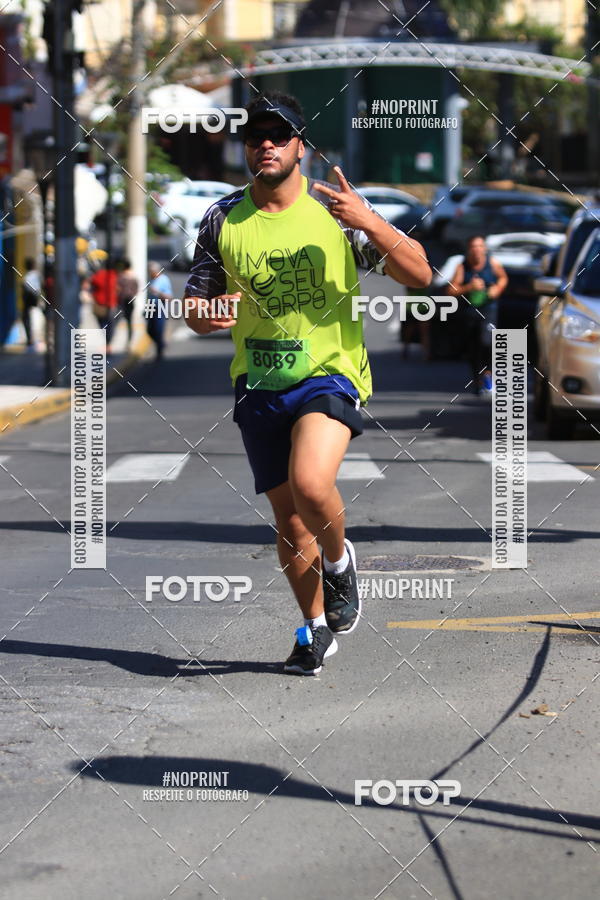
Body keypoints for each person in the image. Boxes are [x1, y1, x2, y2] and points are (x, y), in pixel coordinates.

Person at [184, 91, 431, 675]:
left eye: (279, 135)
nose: (266, 144)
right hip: (258, 380)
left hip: (329, 374)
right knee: (291, 521)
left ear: (302, 147)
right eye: (255, 136)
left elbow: (420, 274)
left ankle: (340, 563)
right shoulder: (222, 218)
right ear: (245, 147)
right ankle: (315, 629)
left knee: (310, 484)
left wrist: (369, 220)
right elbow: (194, 304)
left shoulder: (336, 214)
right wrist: (205, 315)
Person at [447, 235, 508, 394]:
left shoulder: (492, 263)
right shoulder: (462, 267)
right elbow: (450, 290)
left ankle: (488, 374)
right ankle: (477, 381)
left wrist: (497, 289)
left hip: (488, 309)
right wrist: (468, 287)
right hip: (470, 311)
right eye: (474, 247)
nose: (477, 250)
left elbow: (503, 278)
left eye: (480, 246)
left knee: (488, 342)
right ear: (469, 249)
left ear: (485, 248)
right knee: (474, 347)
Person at [89, 257, 119, 350]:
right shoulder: (115, 275)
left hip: (100, 303)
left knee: (103, 324)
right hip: (112, 303)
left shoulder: (99, 275)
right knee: (111, 325)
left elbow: (92, 283)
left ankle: (107, 343)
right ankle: (108, 343)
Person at [146, 261, 173, 358]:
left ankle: (159, 351)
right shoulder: (152, 280)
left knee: (158, 330)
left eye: (151, 272)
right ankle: (161, 344)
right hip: (151, 307)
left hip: (160, 307)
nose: (150, 274)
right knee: (149, 330)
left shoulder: (164, 279)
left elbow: (169, 297)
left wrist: (158, 292)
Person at [116, 257, 138, 344]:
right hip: (130, 300)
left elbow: (117, 288)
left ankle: (114, 338)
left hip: (122, 300)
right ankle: (129, 339)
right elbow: (136, 289)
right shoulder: (133, 276)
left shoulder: (121, 276)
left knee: (117, 319)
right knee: (129, 320)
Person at [21, 257, 41, 348]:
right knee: (32, 320)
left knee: (28, 320)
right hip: (34, 301)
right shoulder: (36, 275)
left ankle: (30, 339)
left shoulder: (28, 276)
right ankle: (32, 339)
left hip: (29, 301)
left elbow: (27, 288)